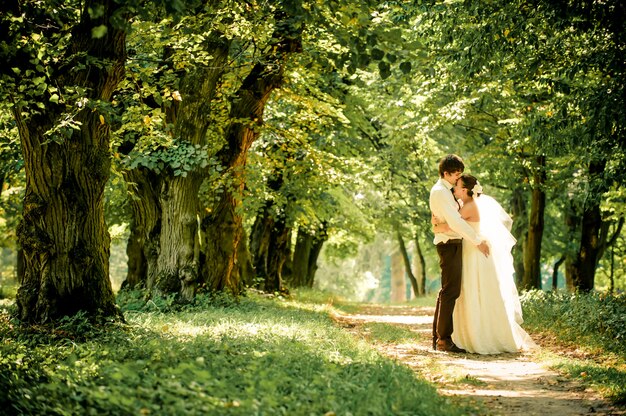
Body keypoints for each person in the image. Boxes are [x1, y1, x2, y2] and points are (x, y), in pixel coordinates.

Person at [433, 174, 536, 354]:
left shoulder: (468, 207)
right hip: (471, 250)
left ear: (464, 190)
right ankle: (464, 334)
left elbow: (453, 225)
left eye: (457, 186)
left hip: (473, 253)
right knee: (470, 291)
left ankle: (480, 336)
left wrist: (437, 226)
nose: (454, 189)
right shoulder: (465, 205)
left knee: (474, 291)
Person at [429, 155, 490, 353]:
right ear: (446, 173)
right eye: (456, 174)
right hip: (449, 244)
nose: (458, 178)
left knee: (448, 291)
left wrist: (440, 226)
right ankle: (443, 339)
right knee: (450, 291)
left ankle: (439, 336)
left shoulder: (447, 192)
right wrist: (477, 241)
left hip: (453, 242)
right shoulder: (440, 192)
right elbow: (456, 222)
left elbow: (452, 221)